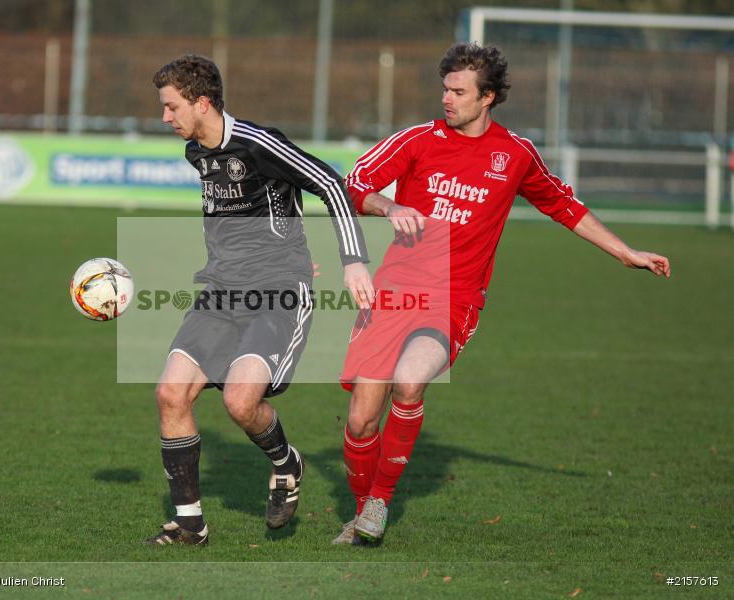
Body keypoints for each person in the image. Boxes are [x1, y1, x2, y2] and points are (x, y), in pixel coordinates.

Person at [333, 43, 671, 545]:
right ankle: (361, 513)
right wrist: (387, 207)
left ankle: (378, 503)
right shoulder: (417, 140)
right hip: (393, 292)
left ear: (487, 97)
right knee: (361, 420)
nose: (447, 99)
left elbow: (565, 207)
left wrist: (623, 252)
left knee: (410, 383)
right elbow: (353, 184)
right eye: (445, 89)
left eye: (459, 91)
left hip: (454, 298)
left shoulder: (514, 155)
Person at [147, 54, 374, 546]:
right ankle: (190, 525)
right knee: (170, 394)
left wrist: (353, 259)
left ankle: (286, 464)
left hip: (278, 294)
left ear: (201, 103)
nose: (165, 117)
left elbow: (331, 183)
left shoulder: (258, 143)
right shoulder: (196, 150)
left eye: (171, 107)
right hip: (220, 291)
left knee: (240, 402)